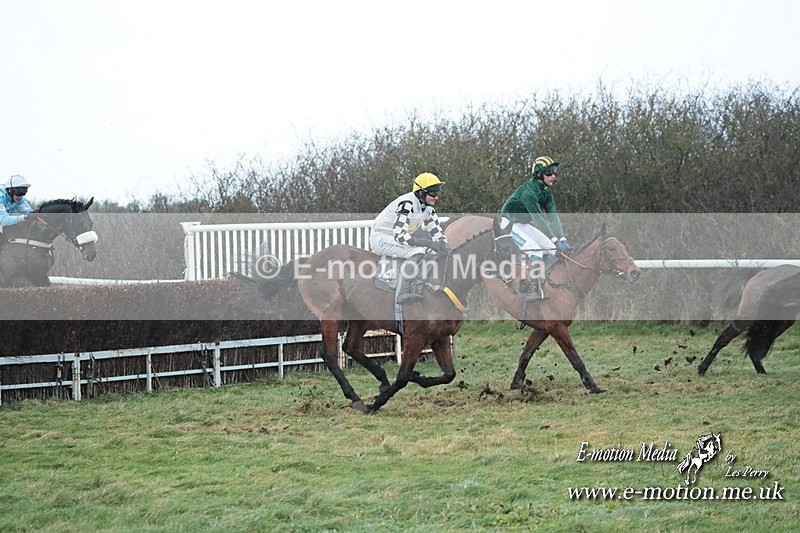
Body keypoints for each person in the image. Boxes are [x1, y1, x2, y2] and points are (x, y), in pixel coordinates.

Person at [370, 172, 451, 304]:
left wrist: (443, 245)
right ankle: (403, 292)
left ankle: (419, 285)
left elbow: (437, 232)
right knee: (418, 251)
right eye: (433, 193)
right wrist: (429, 244)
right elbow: (400, 236)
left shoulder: (428, 209)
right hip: (381, 239)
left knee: (430, 251)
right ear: (420, 192)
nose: (436, 197)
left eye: (438, 192)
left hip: (393, 239)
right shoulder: (407, 203)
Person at [500, 156, 571, 301]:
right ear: (539, 174)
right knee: (535, 251)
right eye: (549, 173)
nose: (553, 176)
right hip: (508, 225)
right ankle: (530, 289)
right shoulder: (528, 192)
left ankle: (544, 283)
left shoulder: (546, 192)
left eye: (555, 172)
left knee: (552, 250)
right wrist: (554, 239)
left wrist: (561, 238)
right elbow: (539, 218)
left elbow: (553, 217)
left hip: (523, 224)